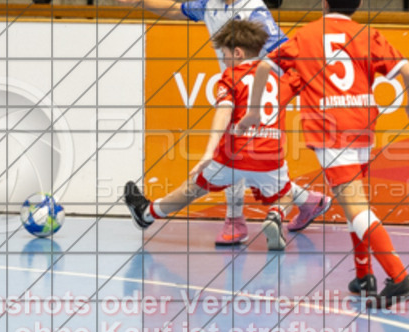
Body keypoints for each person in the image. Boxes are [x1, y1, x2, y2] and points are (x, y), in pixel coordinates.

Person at [101, 0, 329, 245]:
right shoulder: (211, 6)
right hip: (236, 93)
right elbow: (176, 9)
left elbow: (287, 55)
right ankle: (306, 203)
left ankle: (236, 222)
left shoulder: (256, 13)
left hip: (255, 101)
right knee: (249, 166)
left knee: (229, 158)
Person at [235, 0, 409, 306]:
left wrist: (253, 111)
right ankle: (363, 274)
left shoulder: (305, 36)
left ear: (322, 2)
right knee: (356, 202)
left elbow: (264, 66)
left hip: (329, 131)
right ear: (360, 2)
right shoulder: (369, 34)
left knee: (356, 207)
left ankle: (399, 278)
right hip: (363, 127)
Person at [124, 19, 319, 251]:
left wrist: (208, 152)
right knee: (285, 193)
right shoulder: (282, 79)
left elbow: (224, 112)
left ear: (237, 52)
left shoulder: (231, 76)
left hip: (233, 155)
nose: (224, 59)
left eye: (224, 53)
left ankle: (147, 213)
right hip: (270, 155)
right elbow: (311, 79)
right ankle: (275, 216)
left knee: (194, 188)